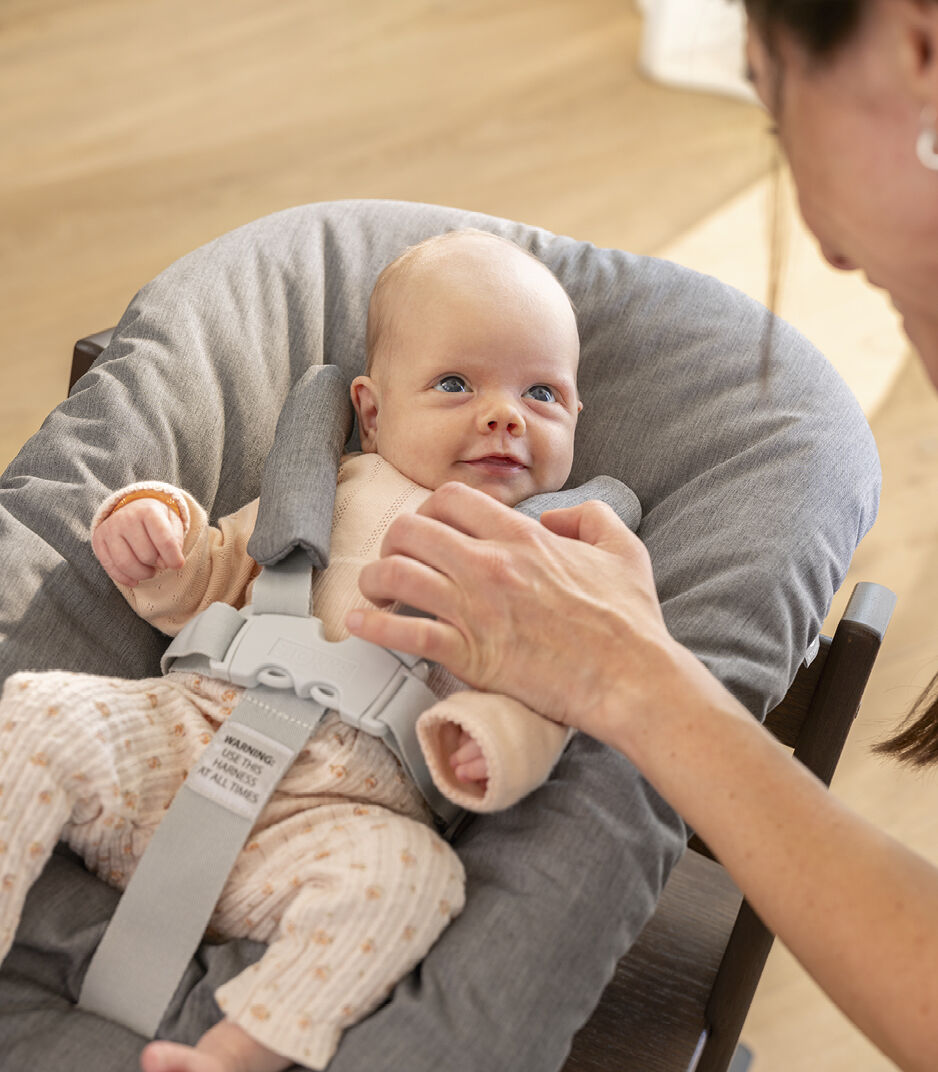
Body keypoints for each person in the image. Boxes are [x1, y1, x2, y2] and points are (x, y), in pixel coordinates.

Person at [342, 3, 938, 1070]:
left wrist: (632, 680)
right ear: (366, 408)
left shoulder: (594, 529)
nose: (820, 241)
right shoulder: (326, 482)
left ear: (918, 46)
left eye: (776, 114)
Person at [0, 229, 591, 1072]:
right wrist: (156, 533)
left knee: (418, 879)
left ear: (576, 418)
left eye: (542, 394)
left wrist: (488, 745)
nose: (503, 413)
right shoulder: (337, 487)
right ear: (373, 412)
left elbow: (544, 708)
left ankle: (244, 1047)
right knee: (32, 709)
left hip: (333, 822)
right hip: (184, 738)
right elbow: (216, 574)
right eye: (455, 384)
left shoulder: (541, 570)